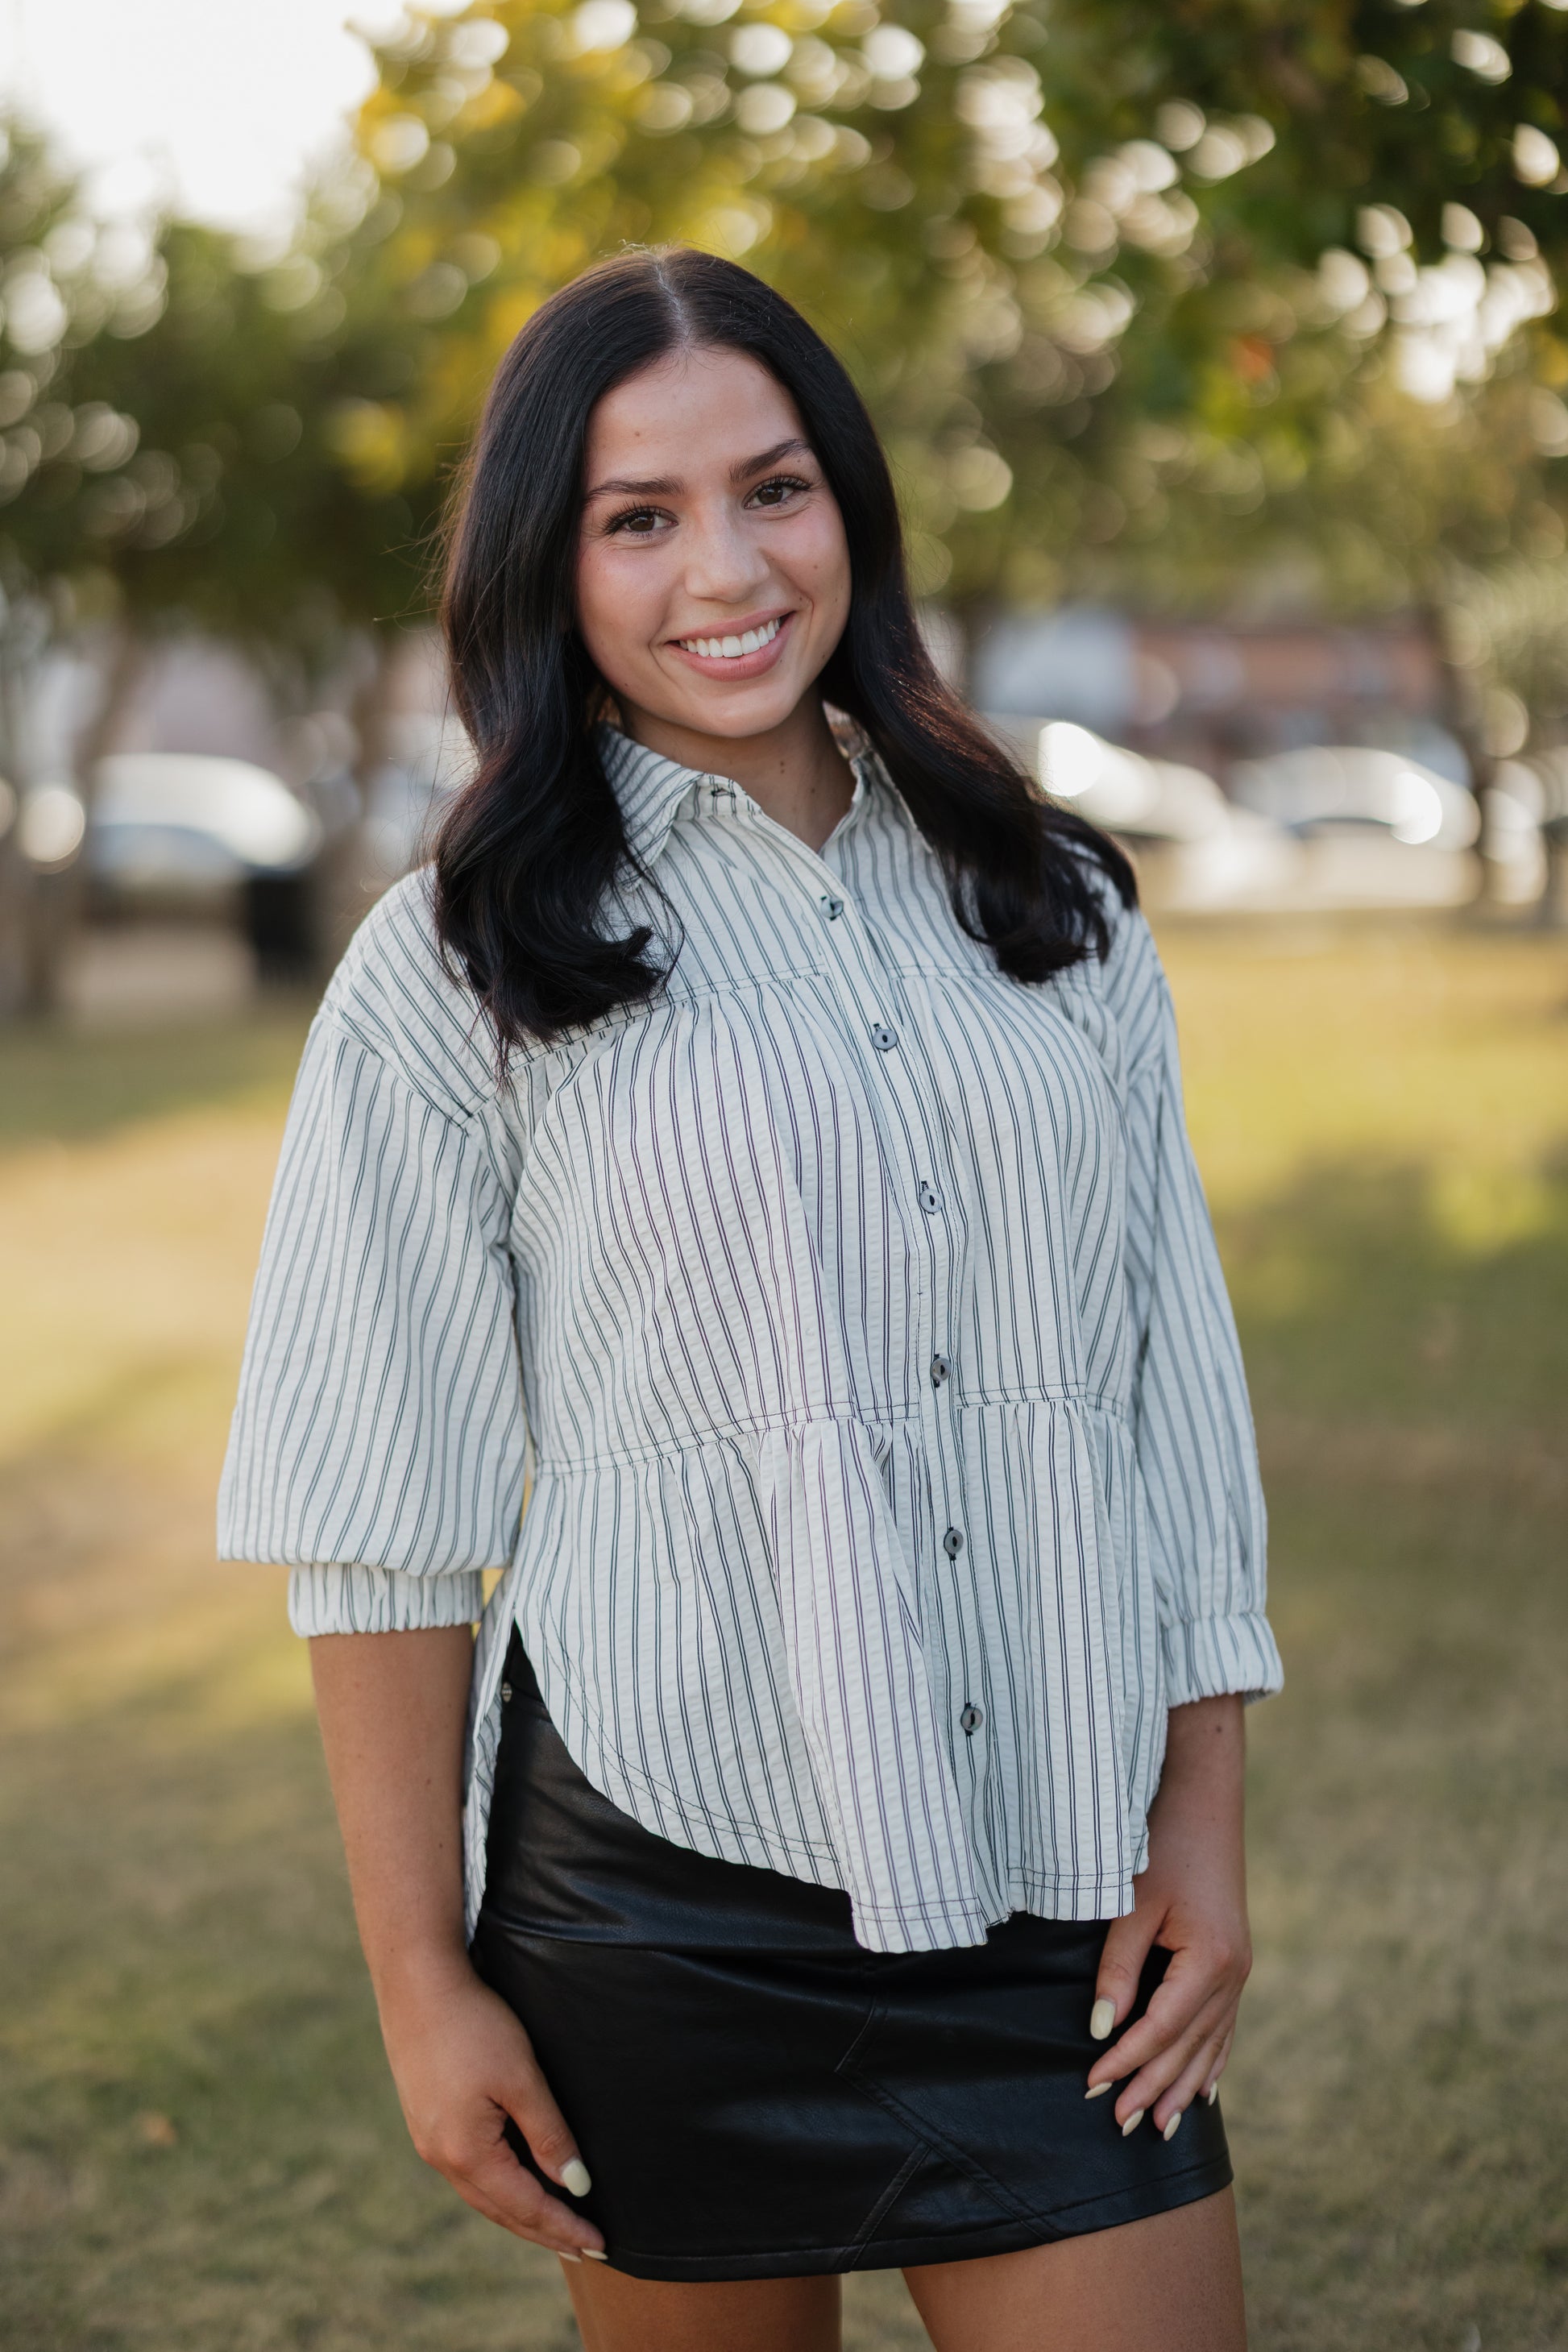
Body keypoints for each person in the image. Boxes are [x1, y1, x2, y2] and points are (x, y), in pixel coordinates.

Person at [218, 247, 1282, 2352]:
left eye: (771, 489)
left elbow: (1167, 1393)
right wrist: (424, 1990)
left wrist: (1205, 1825)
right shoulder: (459, 965)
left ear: (853, 514)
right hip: (659, 1902)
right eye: (638, 516)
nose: (724, 565)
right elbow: (384, 1526)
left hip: (1050, 1892)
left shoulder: (1054, 907)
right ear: (553, 563)